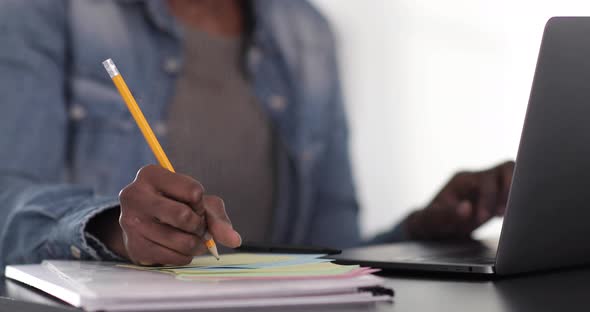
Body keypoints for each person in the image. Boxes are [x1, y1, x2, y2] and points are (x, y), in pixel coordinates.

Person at [0, 0, 514, 269]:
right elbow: (8, 209)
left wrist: (421, 234)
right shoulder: (46, 13)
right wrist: (113, 228)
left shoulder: (307, 33)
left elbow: (323, 251)